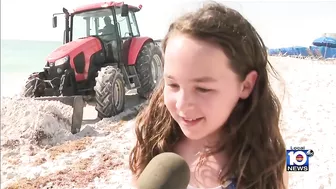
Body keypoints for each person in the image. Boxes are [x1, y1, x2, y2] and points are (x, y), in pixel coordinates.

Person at [129, 2, 288, 189]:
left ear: (245, 85)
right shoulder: (152, 142)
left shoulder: (268, 161)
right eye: (172, 84)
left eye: (203, 89)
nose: (182, 104)